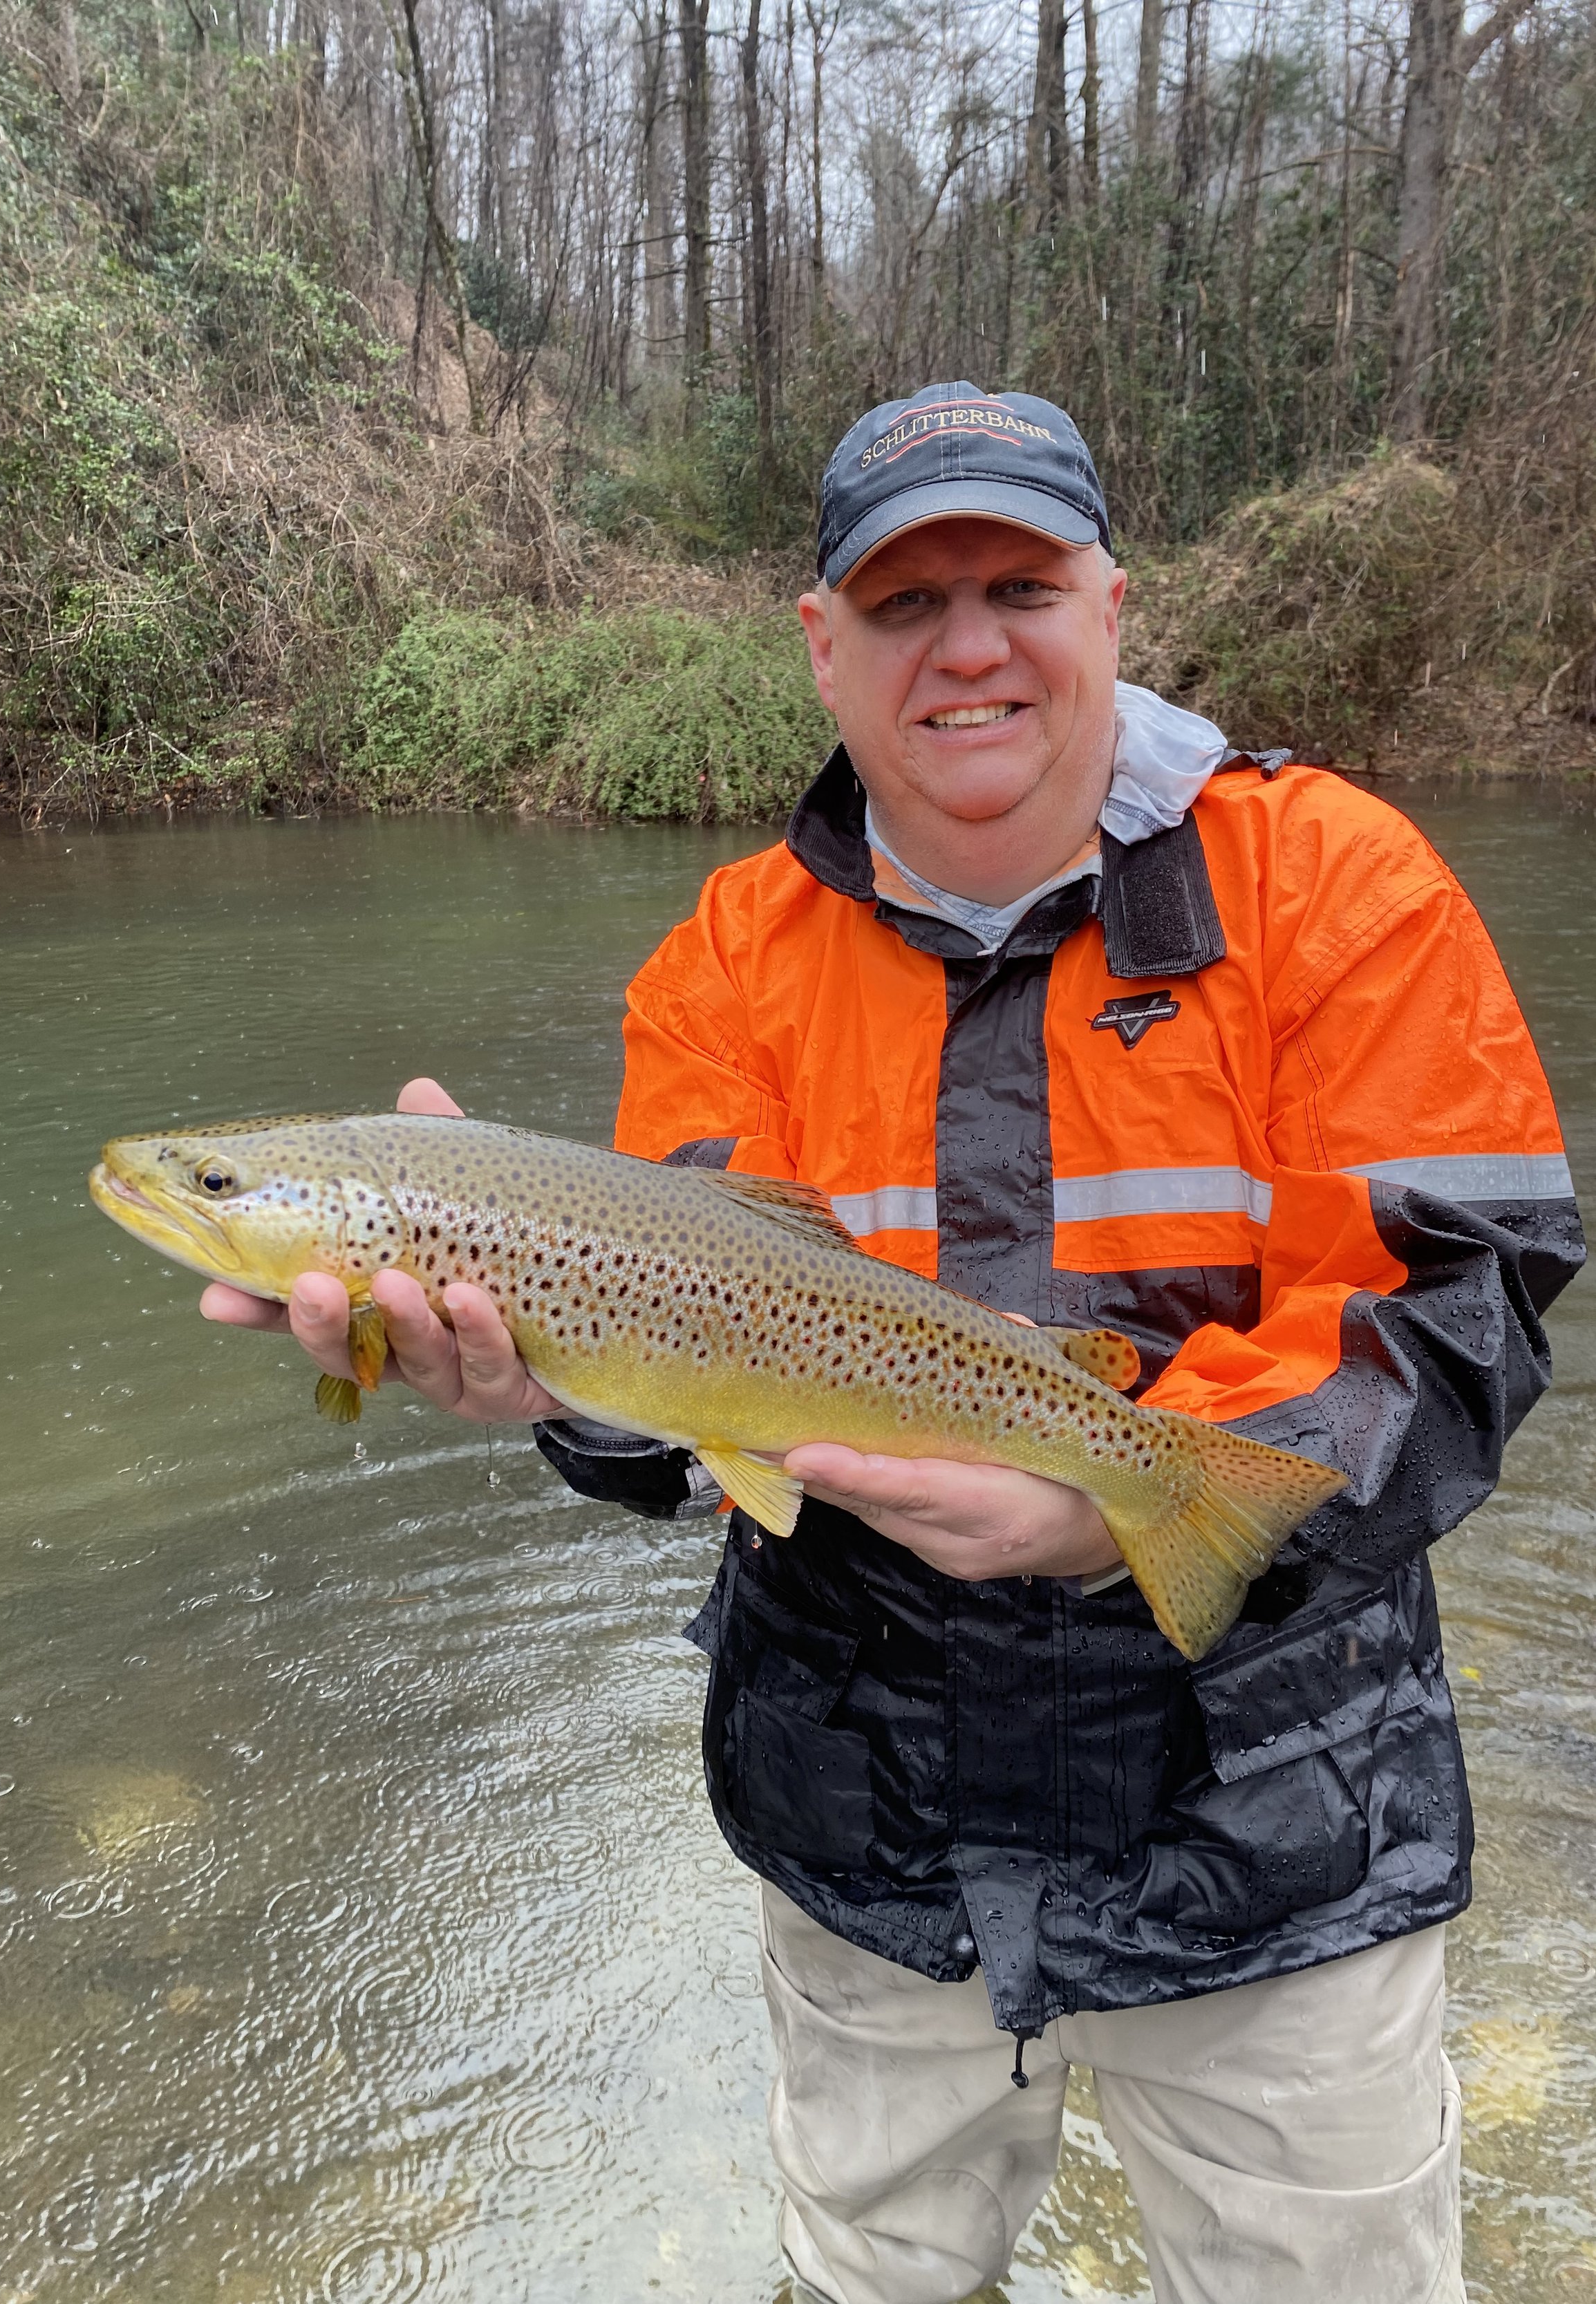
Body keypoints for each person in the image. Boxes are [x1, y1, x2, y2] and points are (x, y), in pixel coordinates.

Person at [201, 383, 1583, 2304]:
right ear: (821, 645)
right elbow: (684, 1403)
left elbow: (1460, 1308)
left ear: (1111, 605)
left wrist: (1113, 1514)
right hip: (861, 1818)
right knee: (869, 2278)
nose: (967, 649)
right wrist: (539, 1383)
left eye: (1018, 588)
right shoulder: (726, 955)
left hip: (1274, 1823)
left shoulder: (1336, 885)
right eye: (904, 602)